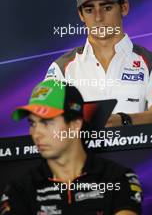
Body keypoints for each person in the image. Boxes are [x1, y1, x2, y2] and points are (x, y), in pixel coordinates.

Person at [45, 0, 152, 127]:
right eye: (89, 10)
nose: (98, 17)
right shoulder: (60, 69)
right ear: (80, 15)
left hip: (136, 152)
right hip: (82, 152)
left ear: (124, 8)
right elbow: (47, 122)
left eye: (106, 8)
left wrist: (122, 121)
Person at [0, 79, 142, 215]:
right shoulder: (19, 189)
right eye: (32, 123)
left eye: (46, 122)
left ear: (75, 125)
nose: (36, 133)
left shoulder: (117, 178)